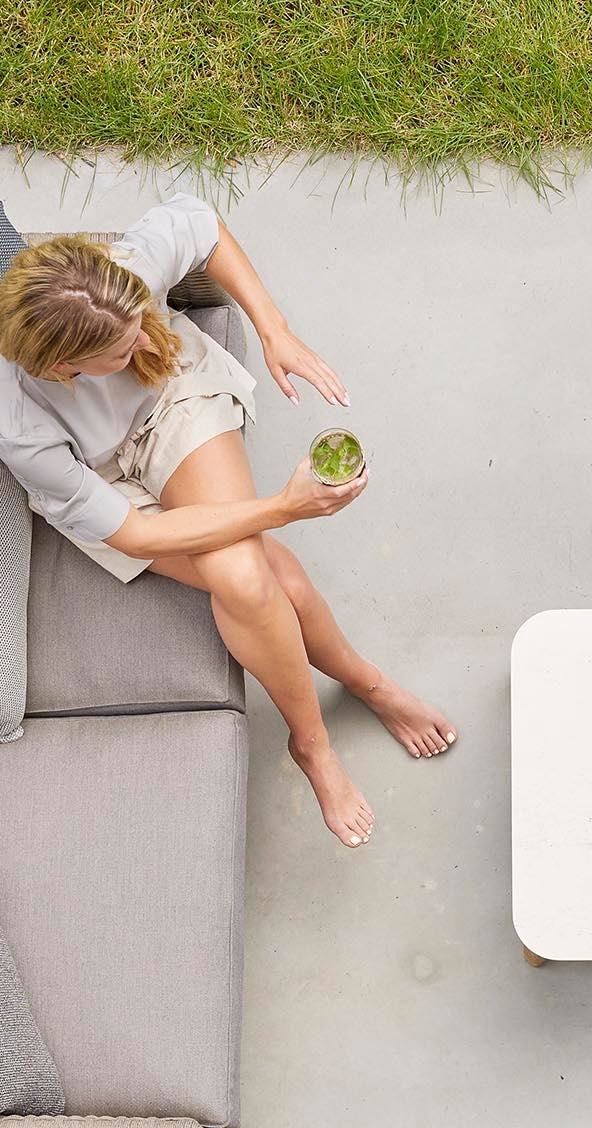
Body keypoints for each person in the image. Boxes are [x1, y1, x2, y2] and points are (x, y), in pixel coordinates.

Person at [0, 194, 456, 848]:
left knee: (244, 576)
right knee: (258, 577)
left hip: (174, 405)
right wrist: (284, 508)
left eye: (141, 322)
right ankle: (335, 717)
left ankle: (337, 712)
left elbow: (203, 223)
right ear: (61, 369)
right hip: (102, 477)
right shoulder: (19, 424)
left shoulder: (115, 276)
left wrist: (275, 330)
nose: (143, 337)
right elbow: (135, 535)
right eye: (122, 350)